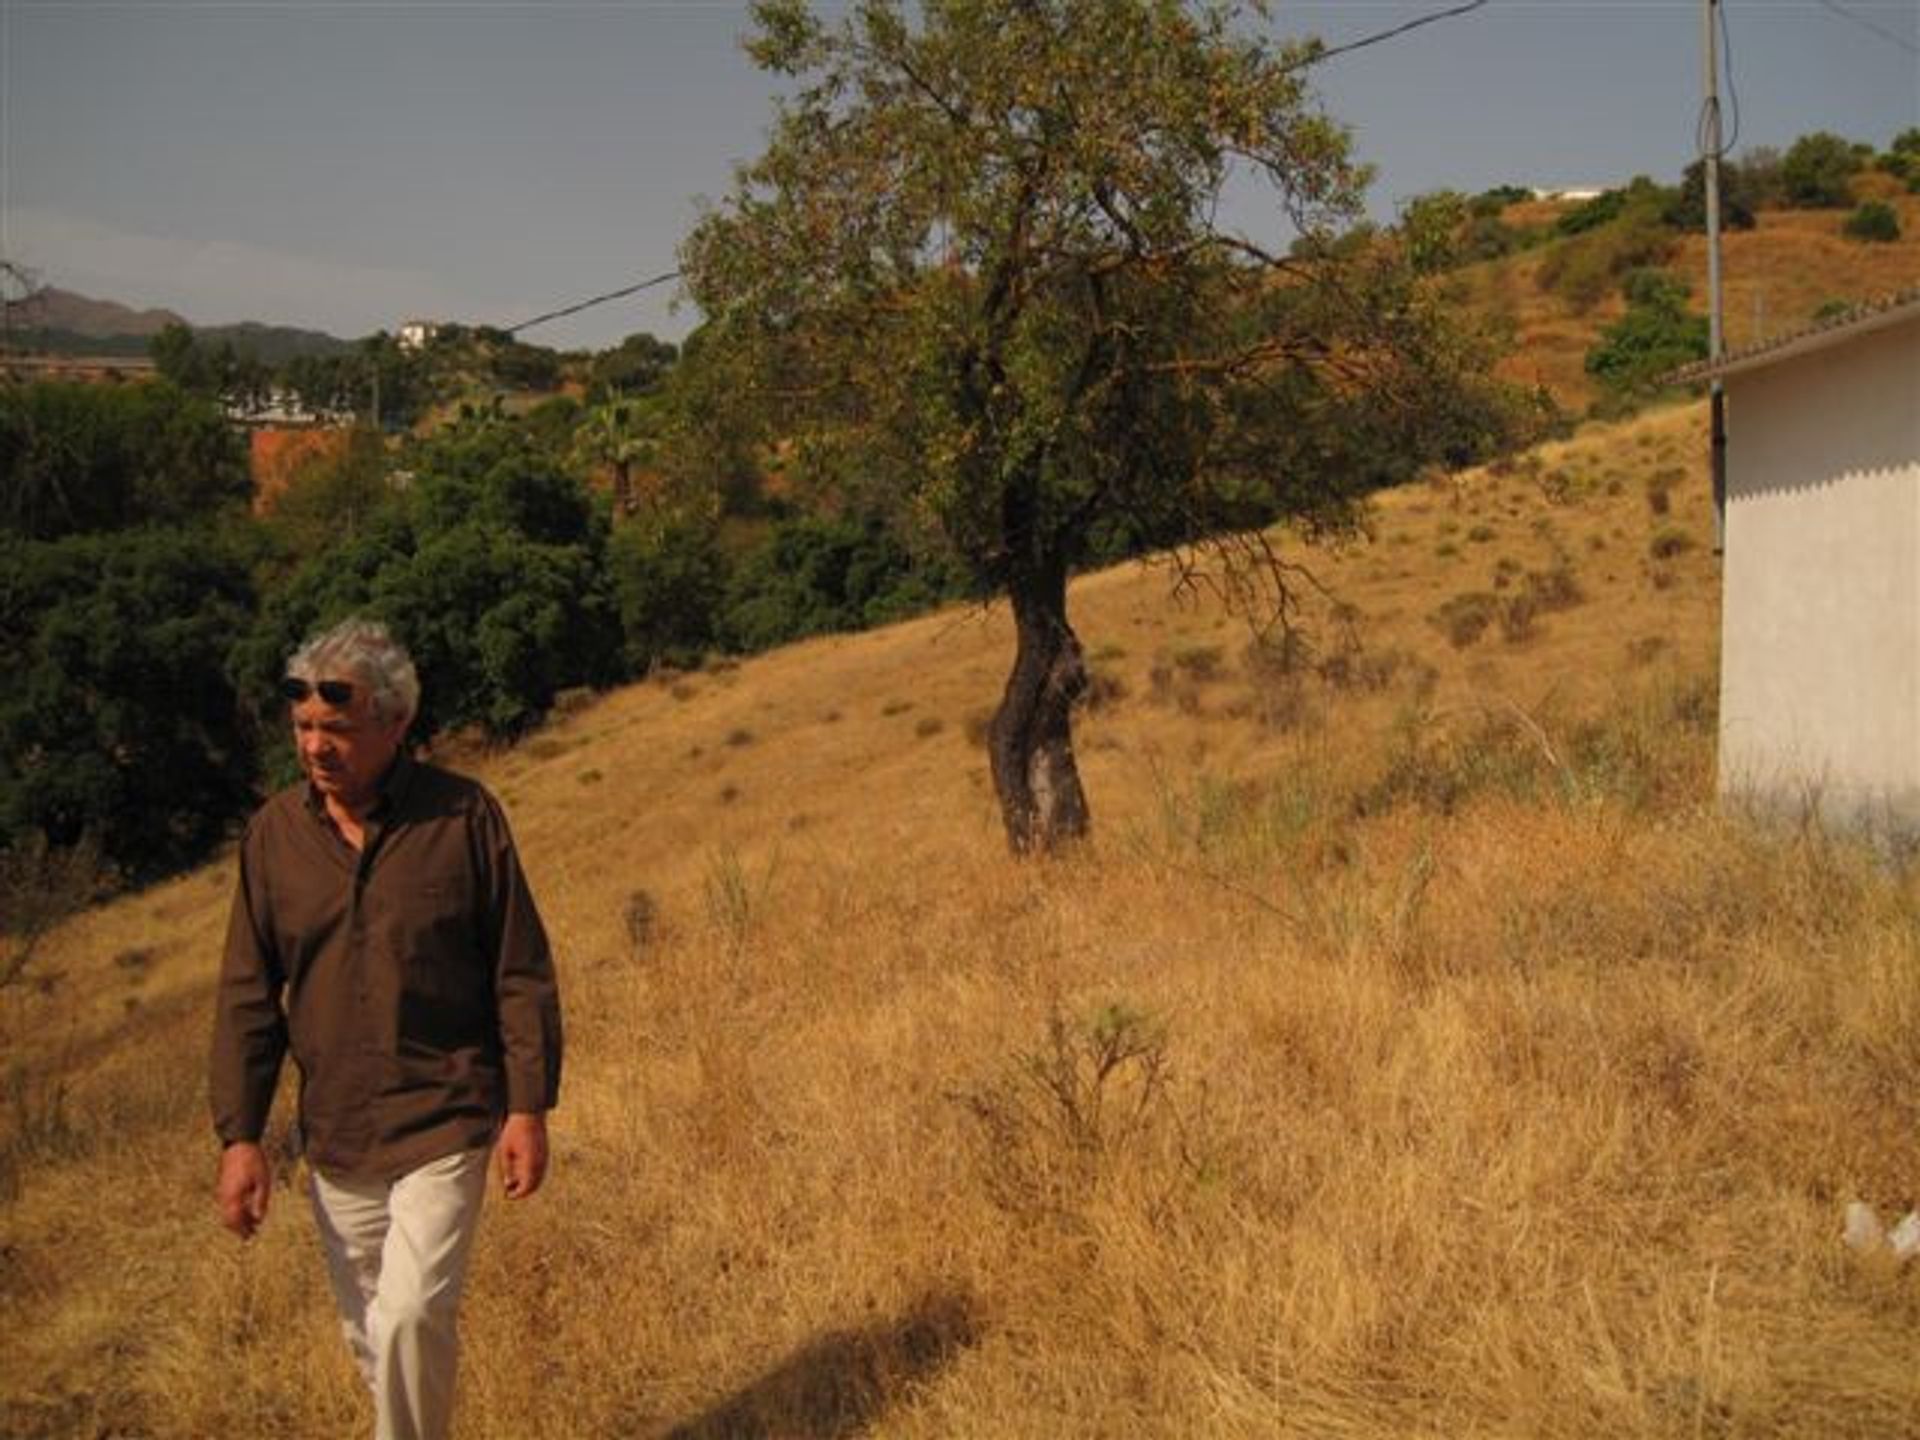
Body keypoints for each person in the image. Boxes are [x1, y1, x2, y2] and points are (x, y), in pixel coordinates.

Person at [209, 617, 563, 1440]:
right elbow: (247, 995)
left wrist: (527, 1106)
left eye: (338, 728)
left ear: (396, 724)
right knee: (375, 1340)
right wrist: (241, 1135)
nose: (317, 747)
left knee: (408, 1318)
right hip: (335, 1140)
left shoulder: (463, 819)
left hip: (445, 1115)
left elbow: (519, 967)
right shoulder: (273, 840)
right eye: (302, 728)